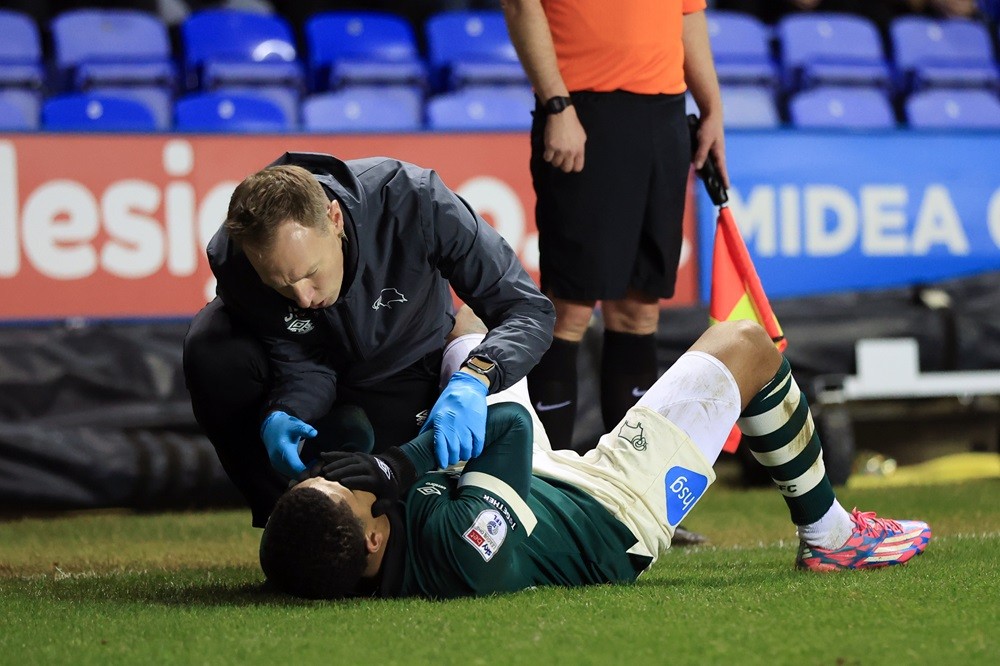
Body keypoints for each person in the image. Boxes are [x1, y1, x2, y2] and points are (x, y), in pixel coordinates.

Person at [258, 320, 932, 599]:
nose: (342, 481)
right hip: (612, 510)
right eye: (344, 491)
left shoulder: (348, 546)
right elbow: (512, 426)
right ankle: (832, 537)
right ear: (375, 538)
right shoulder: (462, 554)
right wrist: (397, 464)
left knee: (455, 321)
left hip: (546, 485)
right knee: (747, 343)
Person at [183, 152, 555, 528]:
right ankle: (285, 524)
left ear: (335, 219)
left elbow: (528, 309)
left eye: (311, 273)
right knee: (211, 342)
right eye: (280, 285)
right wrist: (285, 411)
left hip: (412, 371)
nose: (303, 298)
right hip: (332, 386)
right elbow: (301, 358)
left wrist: (475, 376)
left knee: (423, 527)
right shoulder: (238, 260)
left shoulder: (415, 201)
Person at [500, 0, 730, 451]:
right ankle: (544, 494)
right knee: (570, 308)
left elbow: (689, 13)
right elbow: (520, 5)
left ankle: (627, 504)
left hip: (664, 114)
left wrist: (712, 109)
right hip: (582, 109)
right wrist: (557, 105)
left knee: (640, 309)